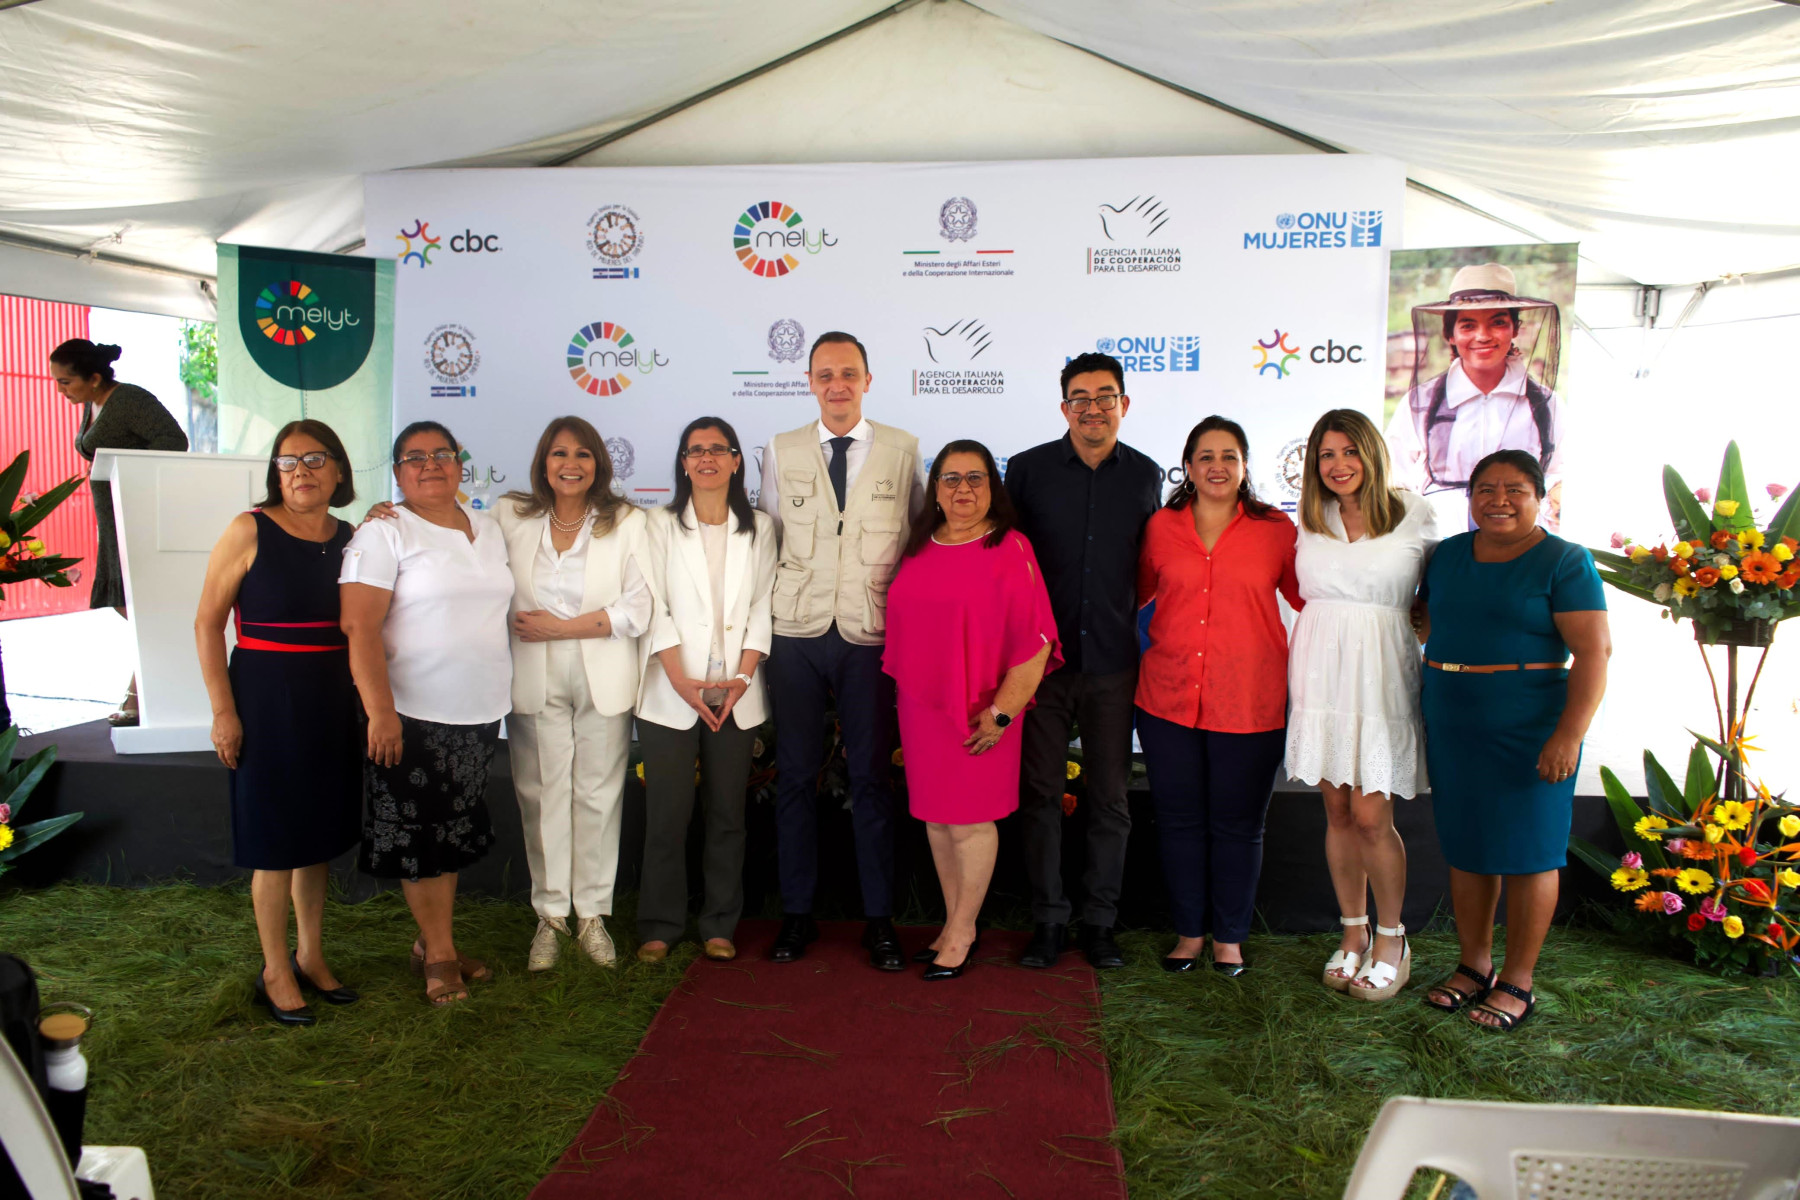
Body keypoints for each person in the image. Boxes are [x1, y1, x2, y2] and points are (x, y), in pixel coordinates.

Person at [1419, 450, 1609, 1031]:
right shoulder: (1447, 554)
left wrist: (1568, 735)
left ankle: (1518, 980)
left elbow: (1595, 653)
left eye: (1515, 490)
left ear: (1540, 498)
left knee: (1530, 853)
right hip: (1453, 719)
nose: (1498, 500)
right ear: (1469, 496)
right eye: (1486, 489)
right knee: (1468, 847)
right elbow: (1428, 619)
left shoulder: (1564, 560)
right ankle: (1473, 966)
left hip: (1531, 725)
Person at [756, 331, 925, 970]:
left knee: (872, 778)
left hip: (869, 634)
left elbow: (916, 540)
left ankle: (879, 919)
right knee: (796, 775)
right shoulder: (782, 448)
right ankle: (797, 916)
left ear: (867, 380)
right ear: (809, 382)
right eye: (825, 374)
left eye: (849, 373)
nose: (837, 385)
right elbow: (769, 535)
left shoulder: (903, 450)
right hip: (796, 632)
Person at [194, 421, 361, 1026]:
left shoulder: (353, 537)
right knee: (275, 841)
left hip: (331, 697)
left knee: (315, 835)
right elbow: (207, 623)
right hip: (265, 699)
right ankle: (274, 969)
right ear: (275, 473)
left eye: (315, 459)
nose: (301, 472)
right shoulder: (249, 528)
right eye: (288, 462)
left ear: (338, 470)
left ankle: (310, 955)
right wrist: (223, 711)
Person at [340, 421, 512, 1005]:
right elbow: (358, 626)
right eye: (415, 457)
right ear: (397, 473)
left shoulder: (488, 528)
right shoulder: (383, 533)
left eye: (441, 454)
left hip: (479, 712)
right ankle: (440, 955)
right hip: (410, 714)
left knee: (449, 834)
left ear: (460, 464)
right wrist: (380, 712)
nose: (430, 464)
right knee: (420, 841)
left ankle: (430, 942)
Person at [1003, 351, 1161, 971]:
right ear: (1064, 406)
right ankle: (1047, 920)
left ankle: (1099, 923)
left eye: (1105, 397)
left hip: (1114, 663)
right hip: (1039, 666)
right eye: (1081, 398)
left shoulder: (1146, 476)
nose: (1093, 408)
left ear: (1124, 404)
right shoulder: (1028, 470)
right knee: (1040, 794)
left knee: (1110, 799)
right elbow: (1006, 562)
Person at [885, 441, 1059, 979]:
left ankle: (963, 931)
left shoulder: (1010, 547)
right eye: (951, 478)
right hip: (923, 708)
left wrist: (1003, 713)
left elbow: (1036, 641)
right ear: (935, 489)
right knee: (938, 822)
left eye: (976, 478)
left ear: (992, 487)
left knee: (970, 822)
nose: (963, 489)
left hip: (984, 710)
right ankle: (952, 922)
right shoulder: (919, 545)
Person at [1136, 417, 1301, 975]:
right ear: (1187, 466)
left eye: (1229, 456)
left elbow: (1311, 598)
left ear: (1245, 465)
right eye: (1205, 456)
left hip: (1250, 699)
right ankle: (1188, 936)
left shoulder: (1276, 528)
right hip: (1167, 699)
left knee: (1239, 825)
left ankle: (1229, 939)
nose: (1217, 466)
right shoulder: (1161, 527)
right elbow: (1135, 596)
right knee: (1179, 822)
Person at [1285, 409, 1439, 1002]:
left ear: (1372, 453)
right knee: (1339, 813)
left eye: (1349, 451)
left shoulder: (1414, 512)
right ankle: (1353, 933)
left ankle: (1393, 941)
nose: (1338, 464)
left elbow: (1440, 589)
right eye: (1326, 454)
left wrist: (1428, 621)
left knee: (1373, 815)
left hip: (1381, 675)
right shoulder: (1309, 519)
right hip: (1321, 675)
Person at [496, 417, 649, 971]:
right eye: (559, 453)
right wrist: (388, 512)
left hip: (602, 674)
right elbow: (453, 540)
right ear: (544, 462)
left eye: (583, 454)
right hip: (533, 676)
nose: (571, 464)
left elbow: (638, 608)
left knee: (598, 796)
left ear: (598, 464)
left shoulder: (627, 521)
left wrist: (561, 629)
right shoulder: (509, 515)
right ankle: (551, 916)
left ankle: (592, 916)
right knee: (542, 795)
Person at [636, 417, 776, 964]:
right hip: (671, 689)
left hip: (736, 692)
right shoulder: (656, 524)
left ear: (737, 461)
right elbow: (653, 605)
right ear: (683, 462)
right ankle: (659, 924)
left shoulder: (760, 528)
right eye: (695, 450)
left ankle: (720, 923)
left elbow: (763, 606)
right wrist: (679, 679)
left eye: (718, 449)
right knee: (667, 816)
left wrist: (742, 679)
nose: (706, 458)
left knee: (727, 816)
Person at [51, 338, 188, 726]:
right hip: (113, 519)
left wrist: (128, 468)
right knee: (130, 605)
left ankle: (140, 693)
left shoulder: (129, 399)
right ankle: (157, 681)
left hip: (139, 514)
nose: (60, 390)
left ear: (94, 378)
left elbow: (174, 441)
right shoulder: (92, 403)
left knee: (142, 609)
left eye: (66, 382)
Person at [1385, 262, 1566, 533]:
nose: (1482, 336)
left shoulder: (1547, 405)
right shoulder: (1420, 403)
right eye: (1468, 325)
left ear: (1515, 329)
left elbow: (1559, 475)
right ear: (1450, 334)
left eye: (1498, 323)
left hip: (1520, 545)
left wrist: (1555, 493)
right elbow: (1394, 480)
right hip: (1440, 544)